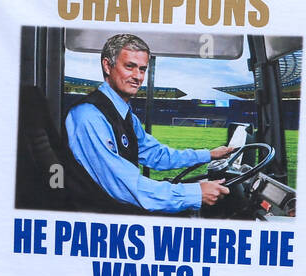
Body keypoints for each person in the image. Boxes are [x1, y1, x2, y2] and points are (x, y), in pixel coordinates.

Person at [65, 34, 231, 213]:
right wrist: (195, 193)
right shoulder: (88, 116)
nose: (138, 76)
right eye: (130, 66)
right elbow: (125, 185)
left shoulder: (126, 116)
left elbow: (157, 155)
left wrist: (208, 155)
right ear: (107, 65)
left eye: (142, 69)